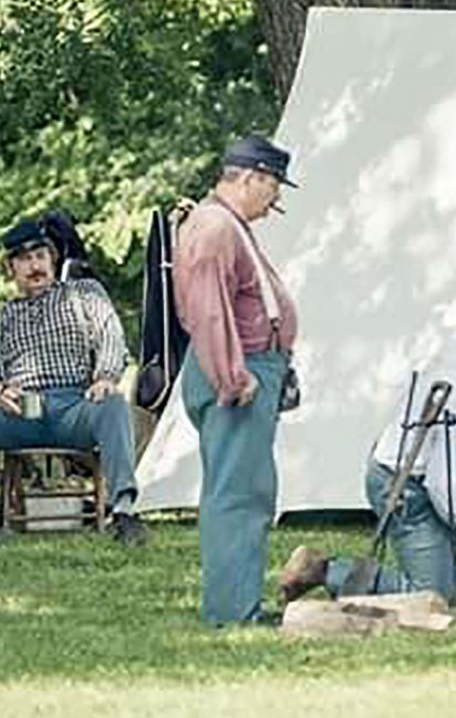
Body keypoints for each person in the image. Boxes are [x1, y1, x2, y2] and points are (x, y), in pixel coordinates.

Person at [277, 329, 456, 611]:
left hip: (413, 473)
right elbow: (444, 483)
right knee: (435, 597)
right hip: (405, 489)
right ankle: (323, 570)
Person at [0, 220, 145, 550]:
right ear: (11, 269)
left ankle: (125, 512)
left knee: (114, 404)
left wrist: (106, 377)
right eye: (24, 260)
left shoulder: (83, 293)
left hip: (74, 407)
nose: (34, 266)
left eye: (40, 256)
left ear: (52, 259)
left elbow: (111, 335)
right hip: (19, 413)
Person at [173, 134, 300, 625]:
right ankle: (232, 612)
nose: (275, 203)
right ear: (251, 178)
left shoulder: (226, 225)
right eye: (273, 189)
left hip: (251, 367)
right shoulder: (215, 229)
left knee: (249, 490)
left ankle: (239, 603)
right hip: (237, 372)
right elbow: (209, 312)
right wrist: (232, 376)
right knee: (237, 495)